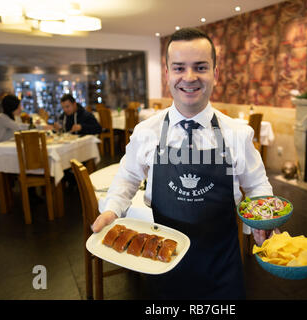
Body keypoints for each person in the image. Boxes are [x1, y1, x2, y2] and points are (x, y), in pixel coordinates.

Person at [92, 28, 273, 299]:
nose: (189, 77)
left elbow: (257, 185)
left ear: (215, 72)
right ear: (167, 74)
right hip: (161, 260)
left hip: (220, 267)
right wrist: (112, 210)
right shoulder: (146, 131)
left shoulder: (237, 133)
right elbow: (128, 177)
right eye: (179, 68)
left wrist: (262, 220)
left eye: (200, 67)